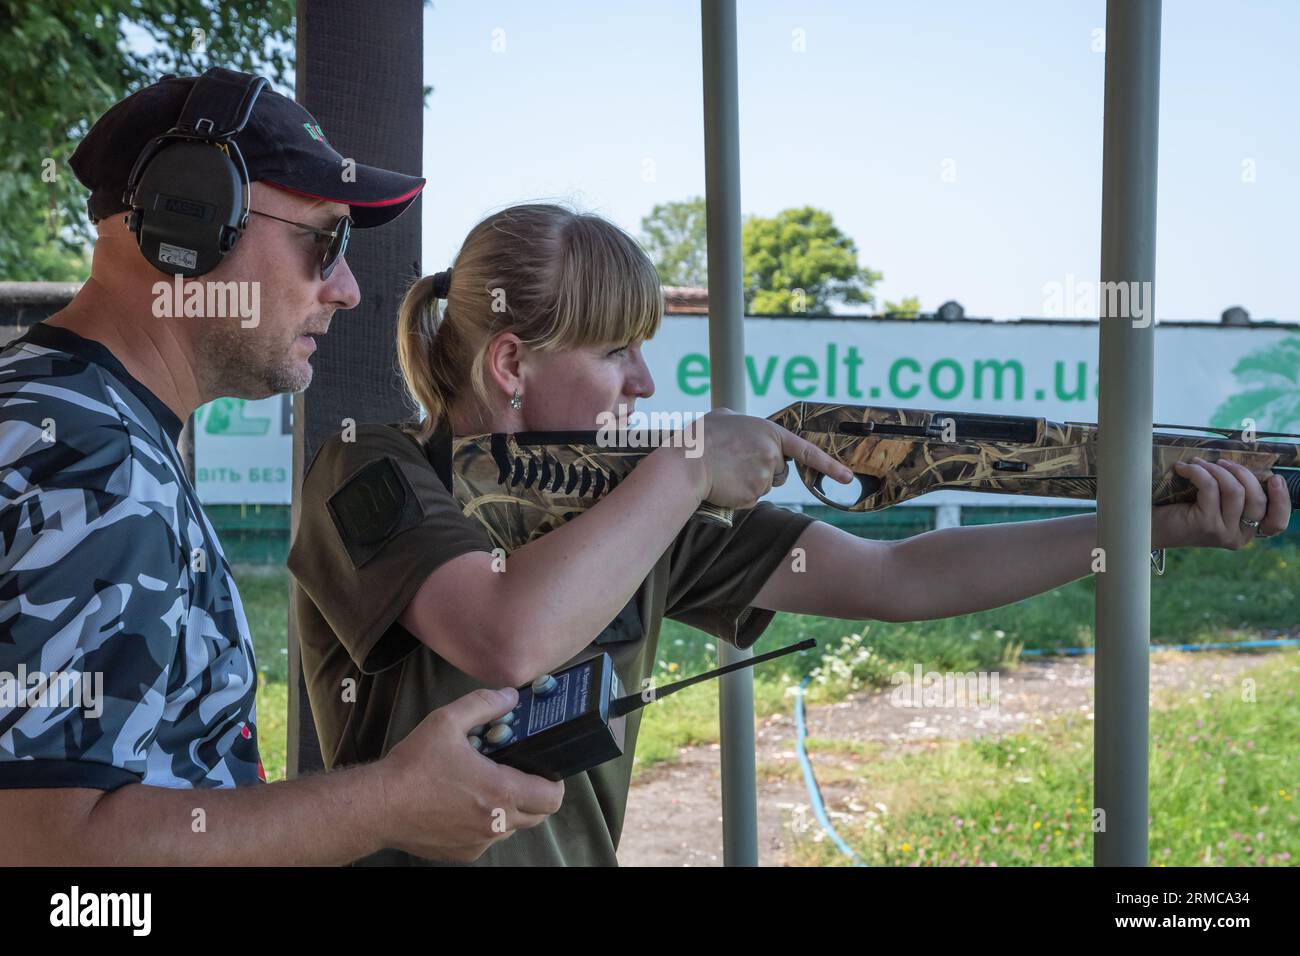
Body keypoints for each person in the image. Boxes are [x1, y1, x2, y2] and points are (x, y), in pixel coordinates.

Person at [288, 201, 1292, 866]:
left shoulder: (634, 506)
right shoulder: (372, 466)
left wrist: (1141, 521)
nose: (644, 382)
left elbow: (898, 577)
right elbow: (504, 631)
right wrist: (685, 464)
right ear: (511, 361)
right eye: (615, 352)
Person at [0, 70, 562, 866]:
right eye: (323, 241)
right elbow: (48, 856)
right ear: (185, 218)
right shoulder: (92, 461)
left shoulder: (68, 419)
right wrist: (389, 803)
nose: (349, 289)